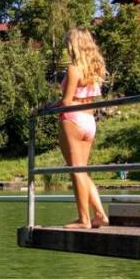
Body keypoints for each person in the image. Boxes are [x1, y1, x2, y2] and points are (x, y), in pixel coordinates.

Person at [56, 28, 109, 229]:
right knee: (83, 171)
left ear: (74, 46)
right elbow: (81, 97)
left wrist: (52, 106)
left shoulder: (74, 69)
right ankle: (100, 214)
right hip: (89, 120)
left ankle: (84, 219)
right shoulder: (96, 69)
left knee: (76, 170)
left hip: (73, 120)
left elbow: (67, 101)